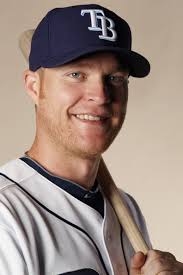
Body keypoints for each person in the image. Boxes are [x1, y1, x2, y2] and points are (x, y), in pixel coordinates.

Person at [0, 3, 182, 275]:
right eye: (76, 74)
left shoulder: (127, 209)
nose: (100, 95)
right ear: (34, 87)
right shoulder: (6, 214)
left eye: (115, 77)